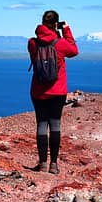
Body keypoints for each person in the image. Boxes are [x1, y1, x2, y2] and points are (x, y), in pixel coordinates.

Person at [28, 10, 79, 174]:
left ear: (42, 23)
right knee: (55, 125)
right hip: (57, 91)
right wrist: (66, 31)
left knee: (41, 124)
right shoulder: (61, 43)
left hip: (38, 91)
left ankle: (42, 163)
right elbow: (74, 51)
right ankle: (54, 165)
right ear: (56, 24)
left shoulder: (32, 43)